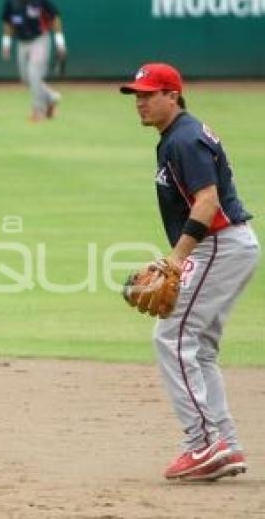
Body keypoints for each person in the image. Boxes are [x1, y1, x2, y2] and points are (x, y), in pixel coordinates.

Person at [120, 62, 260, 481]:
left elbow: (207, 202)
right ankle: (226, 445)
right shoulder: (177, 136)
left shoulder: (183, 139)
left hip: (220, 244)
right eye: (137, 96)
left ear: (173, 96)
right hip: (226, 246)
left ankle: (203, 444)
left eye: (149, 95)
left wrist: (176, 258)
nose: (141, 103)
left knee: (171, 336)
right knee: (198, 348)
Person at [0, 0, 66, 121]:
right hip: (22, 42)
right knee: (25, 78)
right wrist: (6, 43)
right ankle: (51, 97)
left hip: (39, 40)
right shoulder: (11, 1)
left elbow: (55, 18)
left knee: (34, 74)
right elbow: (7, 22)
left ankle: (38, 111)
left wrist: (59, 42)